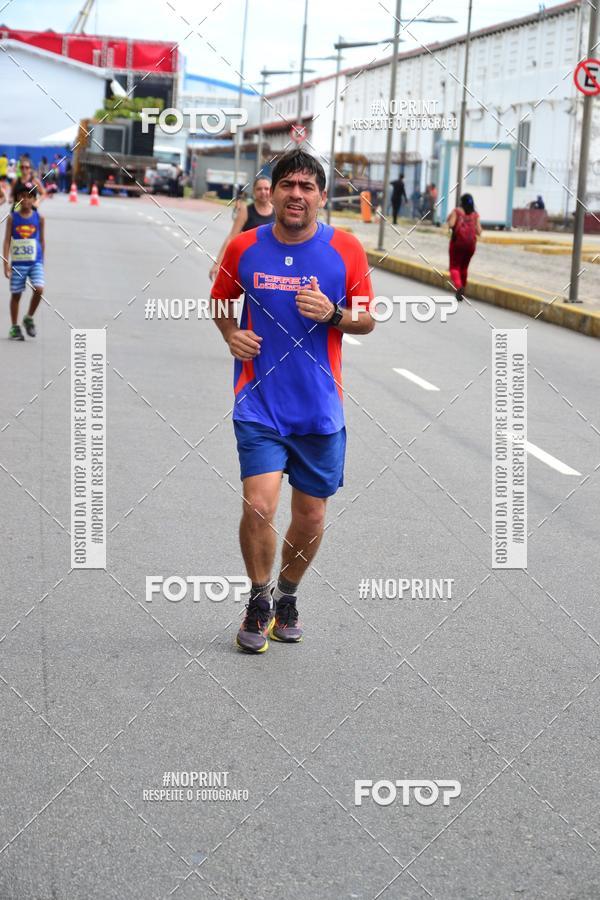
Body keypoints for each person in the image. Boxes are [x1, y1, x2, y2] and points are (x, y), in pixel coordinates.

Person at [210, 148, 375, 653]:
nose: (296, 195)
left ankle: (287, 596)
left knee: (311, 517)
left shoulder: (346, 249)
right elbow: (219, 300)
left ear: (322, 197)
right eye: (288, 185)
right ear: (273, 192)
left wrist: (333, 314)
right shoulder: (244, 247)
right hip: (258, 402)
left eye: (307, 187)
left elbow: (367, 318)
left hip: (320, 410)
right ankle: (259, 600)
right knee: (259, 505)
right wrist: (230, 334)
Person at [209, 176, 275, 281]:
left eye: (266, 189)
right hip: (250, 263)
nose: (263, 192)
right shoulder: (246, 211)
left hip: (271, 264)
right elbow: (231, 237)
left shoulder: (278, 212)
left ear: (272, 191)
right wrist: (218, 263)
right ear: (254, 191)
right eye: (259, 189)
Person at [3, 182, 45, 340]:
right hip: (18, 264)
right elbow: (7, 241)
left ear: (34, 200)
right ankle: (14, 327)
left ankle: (28, 317)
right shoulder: (12, 218)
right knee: (16, 295)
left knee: (39, 289)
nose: (26, 200)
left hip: (35, 262)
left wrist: (42, 261)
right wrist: (5, 263)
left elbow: (42, 240)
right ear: (17, 199)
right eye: (22, 196)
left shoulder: (39, 218)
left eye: (29, 197)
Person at [446, 192, 482, 301]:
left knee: (454, 267)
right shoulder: (475, 215)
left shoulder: (457, 211)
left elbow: (451, 224)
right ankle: (463, 288)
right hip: (471, 245)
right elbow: (479, 231)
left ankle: (458, 286)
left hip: (457, 243)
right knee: (464, 267)